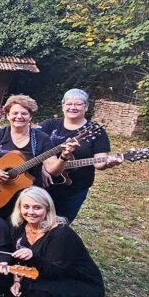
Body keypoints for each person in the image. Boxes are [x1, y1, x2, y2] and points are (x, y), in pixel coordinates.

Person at [4, 186, 104, 297]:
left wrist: (33, 257)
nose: (31, 212)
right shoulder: (19, 227)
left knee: (37, 286)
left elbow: (54, 271)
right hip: (45, 276)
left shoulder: (60, 233)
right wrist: (16, 281)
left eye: (37, 208)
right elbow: (18, 260)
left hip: (81, 283)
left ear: (48, 209)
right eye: (26, 207)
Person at [0, 95, 78, 218]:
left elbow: (53, 171)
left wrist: (64, 156)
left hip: (28, 199)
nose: (19, 117)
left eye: (24, 113)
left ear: (30, 116)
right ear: (8, 115)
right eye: (15, 113)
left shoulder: (41, 138)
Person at [39, 89, 120, 223]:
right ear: (63, 106)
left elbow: (99, 163)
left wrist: (109, 163)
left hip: (74, 190)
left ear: (86, 107)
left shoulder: (96, 131)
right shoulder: (49, 125)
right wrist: (43, 167)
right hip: (43, 185)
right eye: (69, 104)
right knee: (35, 221)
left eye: (78, 104)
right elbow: (32, 148)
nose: (73, 107)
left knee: (59, 225)